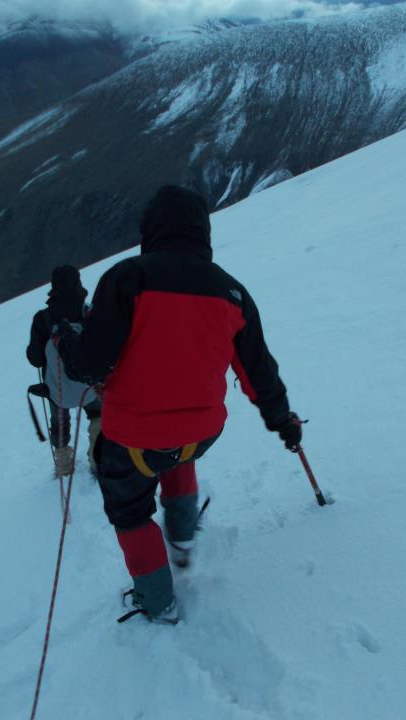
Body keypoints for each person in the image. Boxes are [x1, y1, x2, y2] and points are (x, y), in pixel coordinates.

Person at [56, 185, 302, 624]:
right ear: (202, 233)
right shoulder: (233, 293)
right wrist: (282, 420)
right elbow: (258, 371)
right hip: (202, 433)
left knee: (130, 511)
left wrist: (65, 338)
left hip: (132, 436)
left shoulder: (127, 278)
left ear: (151, 230)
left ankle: (156, 600)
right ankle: (183, 537)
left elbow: (90, 366)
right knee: (176, 452)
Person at [26, 266, 101, 477]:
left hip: (57, 388)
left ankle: (63, 464)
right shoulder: (88, 312)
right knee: (98, 415)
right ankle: (98, 458)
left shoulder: (42, 319)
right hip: (90, 383)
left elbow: (35, 359)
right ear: (78, 283)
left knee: (59, 421)